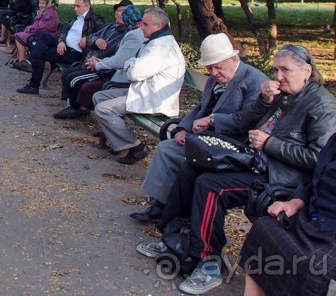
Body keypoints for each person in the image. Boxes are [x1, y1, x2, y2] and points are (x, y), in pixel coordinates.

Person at [137, 44, 336, 295]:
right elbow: (244, 124)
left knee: (211, 186)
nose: (278, 77)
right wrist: (263, 101)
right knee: (191, 169)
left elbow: (319, 159)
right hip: (253, 160)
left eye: (285, 70)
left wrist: (270, 144)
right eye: (275, 70)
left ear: (307, 70)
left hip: (279, 177)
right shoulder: (284, 94)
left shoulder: (321, 105)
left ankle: (207, 261)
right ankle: (173, 239)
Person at [129, 33, 268, 222]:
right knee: (167, 149)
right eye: (209, 68)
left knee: (190, 163)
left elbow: (247, 121)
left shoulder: (254, 81)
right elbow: (200, 108)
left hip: (231, 144)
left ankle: (179, 214)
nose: (213, 73)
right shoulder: (215, 79)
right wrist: (183, 128)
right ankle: (160, 205)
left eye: (217, 67)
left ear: (233, 58)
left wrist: (212, 120)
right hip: (203, 138)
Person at [239, 131, 336, 296]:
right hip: (314, 217)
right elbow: (315, 179)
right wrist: (295, 201)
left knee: (309, 267)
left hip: (331, 231)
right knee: (264, 228)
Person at [91, 7, 185, 164]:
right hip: (143, 91)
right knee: (99, 96)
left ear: (158, 26)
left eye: (146, 24)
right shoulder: (157, 42)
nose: (142, 26)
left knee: (103, 109)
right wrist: (132, 63)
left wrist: (130, 63)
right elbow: (135, 66)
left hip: (154, 99)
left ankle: (136, 147)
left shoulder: (160, 48)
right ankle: (118, 142)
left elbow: (134, 73)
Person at [52, 0, 136, 118]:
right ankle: (74, 105)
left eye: (124, 12)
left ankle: (77, 108)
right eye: (119, 11)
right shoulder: (109, 27)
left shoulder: (128, 33)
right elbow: (90, 36)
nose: (121, 14)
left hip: (103, 67)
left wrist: (99, 62)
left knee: (74, 79)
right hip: (90, 60)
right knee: (67, 73)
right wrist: (96, 40)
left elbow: (118, 58)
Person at [16, 0, 104, 95]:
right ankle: (31, 66)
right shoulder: (77, 18)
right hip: (64, 46)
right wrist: (61, 41)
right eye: (74, 6)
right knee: (45, 37)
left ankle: (33, 83)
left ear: (87, 7)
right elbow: (65, 31)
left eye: (78, 6)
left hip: (76, 53)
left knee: (39, 54)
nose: (75, 9)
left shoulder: (95, 19)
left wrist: (88, 38)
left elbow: (102, 34)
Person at [9, 0, 60, 64]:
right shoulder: (45, 12)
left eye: (43, 3)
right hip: (40, 34)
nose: (41, 5)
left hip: (45, 36)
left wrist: (28, 29)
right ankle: (20, 60)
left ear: (47, 4)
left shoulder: (49, 14)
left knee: (19, 36)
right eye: (40, 3)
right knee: (19, 35)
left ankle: (22, 61)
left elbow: (41, 27)